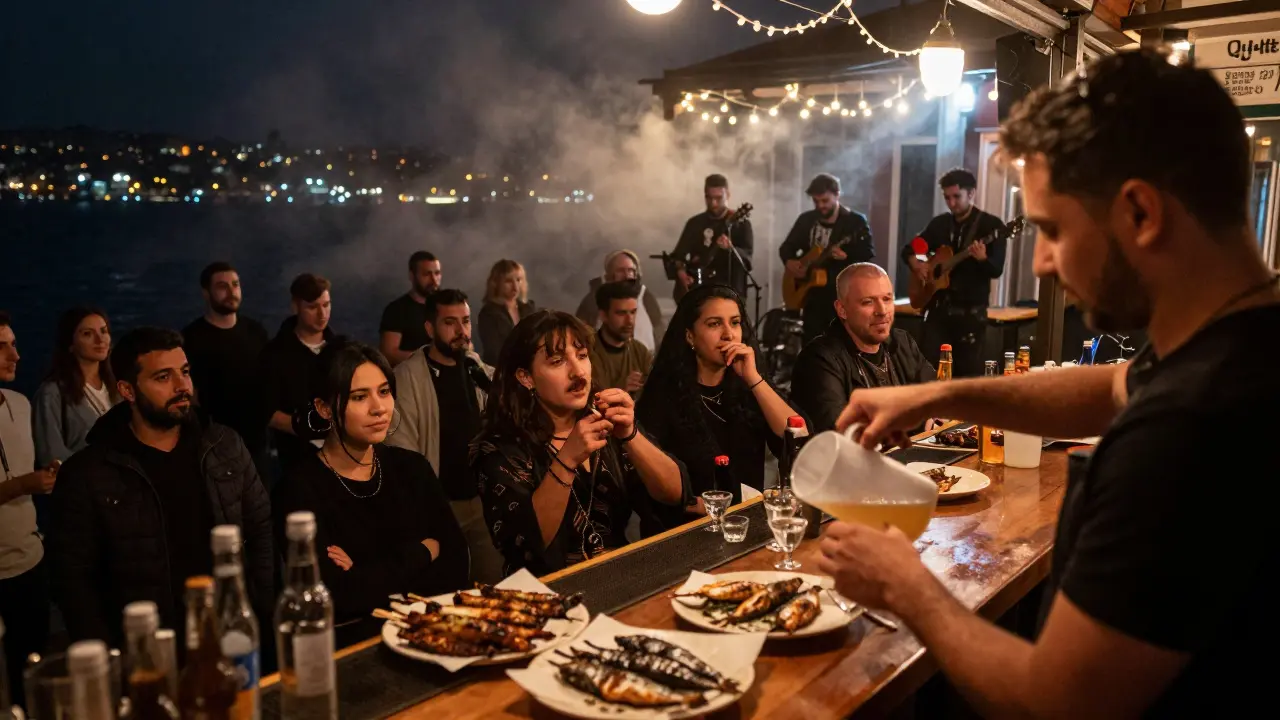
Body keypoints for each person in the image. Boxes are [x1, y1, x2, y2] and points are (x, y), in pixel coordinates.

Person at [817, 50, 1275, 718]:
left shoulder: (1189, 430)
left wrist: (908, 586)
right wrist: (940, 394)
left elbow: (1057, 703)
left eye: (1053, 230)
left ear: (1141, 213)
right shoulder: (1237, 349)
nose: (1043, 263)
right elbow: (1114, 384)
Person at [47, 327, 273, 645]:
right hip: (147, 647)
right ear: (127, 390)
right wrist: (109, 654)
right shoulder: (89, 473)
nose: (183, 387)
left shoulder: (224, 446)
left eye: (185, 372)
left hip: (229, 631)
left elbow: (261, 528)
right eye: (163, 377)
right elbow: (72, 579)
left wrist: (260, 605)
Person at [470, 310, 688, 576]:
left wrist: (630, 434)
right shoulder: (501, 447)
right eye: (557, 361)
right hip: (546, 593)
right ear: (525, 377)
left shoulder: (603, 424)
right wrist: (567, 459)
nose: (577, 371)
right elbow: (523, 544)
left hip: (620, 579)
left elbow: (676, 495)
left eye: (582, 356)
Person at [274, 341, 467, 631]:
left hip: (431, 632)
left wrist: (365, 572)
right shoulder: (299, 489)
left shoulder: (412, 467)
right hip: (356, 647)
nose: (379, 408)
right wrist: (422, 552)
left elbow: (456, 566)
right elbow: (337, 596)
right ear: (324, 408)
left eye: (384, 392)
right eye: (359, 397)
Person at [636, 285, 802, 527]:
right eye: (714, 324)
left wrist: (754, 379)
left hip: (745, 525)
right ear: (690, 336)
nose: (728, 334)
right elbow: (643, 485)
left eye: (735, 323)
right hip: (686, 530)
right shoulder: (663, 396)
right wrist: (699, 505)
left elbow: (798, 436)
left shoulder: (749, 386)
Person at [385, 289, 503, 584]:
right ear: (430, 328)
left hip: (482, 502)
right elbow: (401, 452)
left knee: (493, 586)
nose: (461, 331)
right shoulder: (407, 378)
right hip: (438, 507)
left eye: (465, 321)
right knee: (444, 591)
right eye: (450, 322)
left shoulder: (476, 368)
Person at [790, 264, 934, 432]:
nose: (882, 311)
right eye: (868, 302)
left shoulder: (902, 342)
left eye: (887, 299)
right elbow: (843, 432)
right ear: (842, 310)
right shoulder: (819, 360)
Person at [902, 168, 1009, 376]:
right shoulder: (940, 225)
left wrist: (983, 259)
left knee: (965, 376)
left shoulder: (991, 226)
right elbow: (912, 247)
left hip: (970, 316)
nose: (951, 203)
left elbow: (996, 269)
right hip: (938, 314)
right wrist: (917, 264)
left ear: (971, 194)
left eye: (956, 197)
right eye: (947, 198)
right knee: (929, 372)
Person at [0, 311, 56, 708]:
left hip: (30, 560)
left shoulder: (20, 404)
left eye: (14, 344)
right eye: (1, 347)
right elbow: (20, 481)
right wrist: (24, 485)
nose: (14, 356)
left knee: (32, 673)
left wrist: (45, 477)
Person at [182, 262, 271, 466]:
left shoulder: (256, 332)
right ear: (206, 293)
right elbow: (189, 394)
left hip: (256, 446)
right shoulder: (191, 338)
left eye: (235, 284)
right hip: (214, 446)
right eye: (223, 286)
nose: (231, 292)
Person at [779, 173, 875, 346]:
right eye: (816, 202)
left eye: (825, 201)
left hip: (840, 296)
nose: (820, 206)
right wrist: (789, 261)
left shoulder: (855, 223)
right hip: (811, 297)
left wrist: (847, 257)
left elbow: (867, 255)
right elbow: (787, 247)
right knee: (812, 345)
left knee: (839, 345)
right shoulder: (807, 220)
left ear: (837, 195)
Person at [260, 273, 338, 474]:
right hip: (296, 459)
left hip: (343, 453)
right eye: (313, 307)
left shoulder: (342, 349)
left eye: (326, 305)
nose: (322, 314)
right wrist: (308, 429)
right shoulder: (274, 354)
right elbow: (267, 411)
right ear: (295, 307)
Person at [32, 307, 119, 467]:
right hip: (84, 487)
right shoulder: (52, 394)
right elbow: (50, 456)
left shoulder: (118, 388)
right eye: (88, 334)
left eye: (103, 331)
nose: (100, 340)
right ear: (70, 344)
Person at [670, 174, 754, 301]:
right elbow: (677, 256)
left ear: (728, 195)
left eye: (718, 198)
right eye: (709, 198)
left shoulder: (741, 225)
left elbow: (747, 260)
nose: (713, 203)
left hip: (730, 292)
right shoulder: (695, 223)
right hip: (699, 291)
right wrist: (681, 272)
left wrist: (731, 248)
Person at [573, 249, 666, 351]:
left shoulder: (645, 297)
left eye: (630, 270)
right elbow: (578, 334)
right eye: (620, 271)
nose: (626, 275)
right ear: (608, 275)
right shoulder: (593, 300)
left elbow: (659, 331)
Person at [380, 251, 443, 367]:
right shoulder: (397, 310)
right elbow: (388, 353)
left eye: (437, 273)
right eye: (427, 274)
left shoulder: (447, 306)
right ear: (412, 276)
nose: (434, 280)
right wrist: (431, 359)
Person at [588, 281, 653, 395]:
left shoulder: (640, 352)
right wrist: (619, 389)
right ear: (604, 316)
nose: (630, 321)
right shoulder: (587, 353)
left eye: (633, 312)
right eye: (621, 313)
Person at [477, 259, 536, 366]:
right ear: (495, 283)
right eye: (508, 281)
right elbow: (494, 353)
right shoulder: (488, 314)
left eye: (518, 280)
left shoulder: (529, 308)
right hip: (501, 371)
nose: (515, 286)